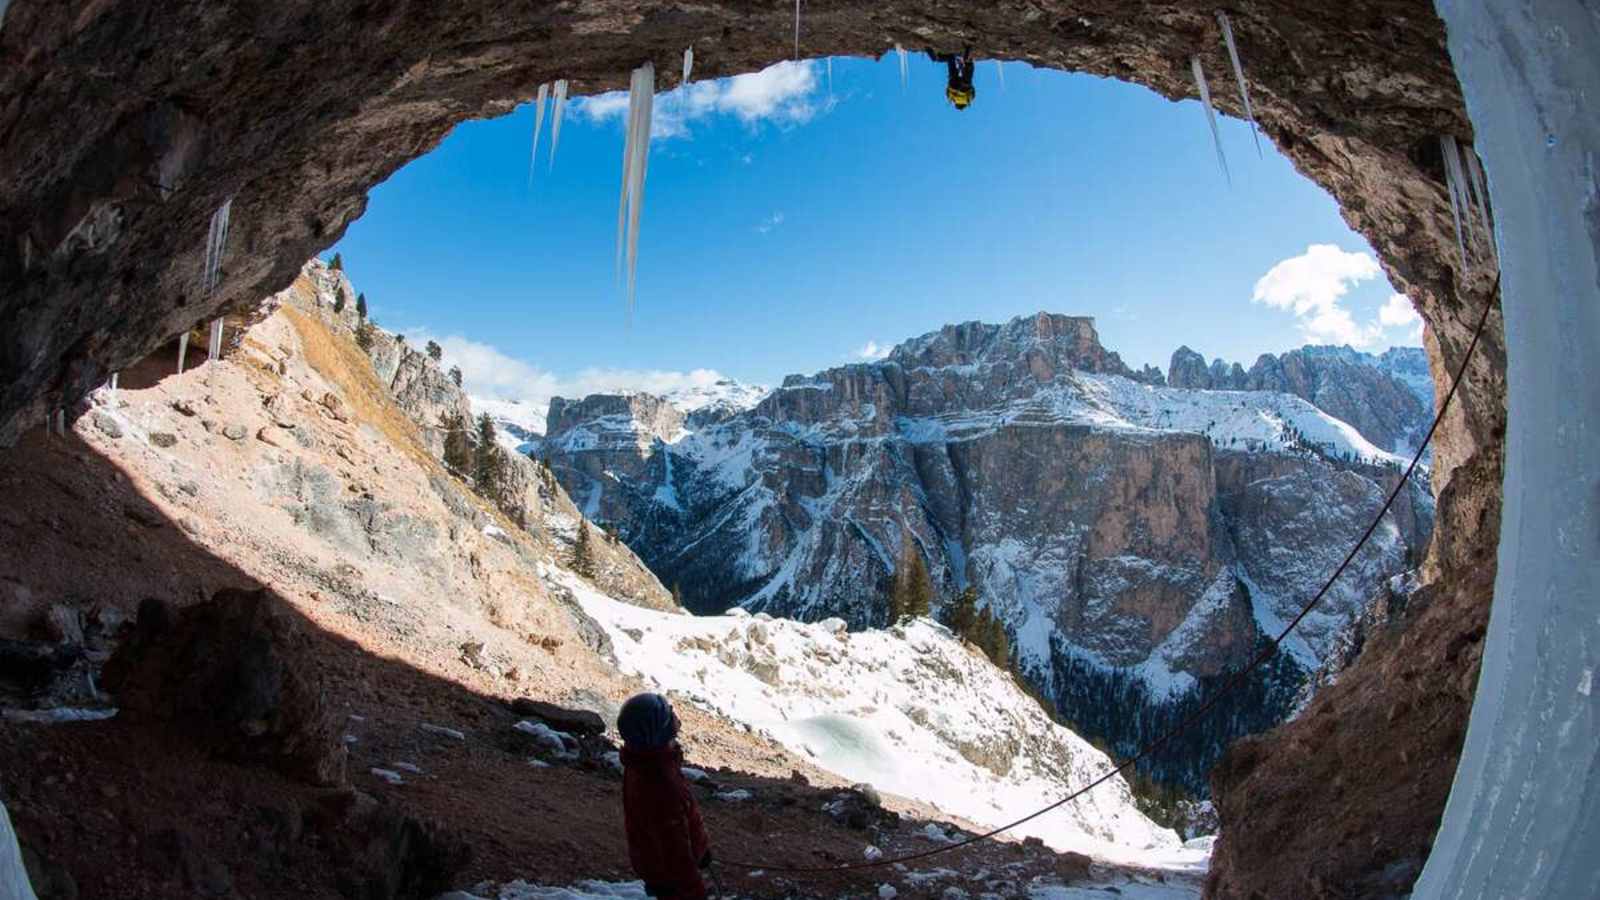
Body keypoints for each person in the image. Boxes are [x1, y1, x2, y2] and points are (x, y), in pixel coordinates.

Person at [617, 693, 713, 899]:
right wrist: (694, 890)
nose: (677, 721)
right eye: (670, 717)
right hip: (671, 878)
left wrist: (700, 850)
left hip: (656, 868)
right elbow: (675, 849)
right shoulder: (660, 781)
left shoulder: (642, 764)